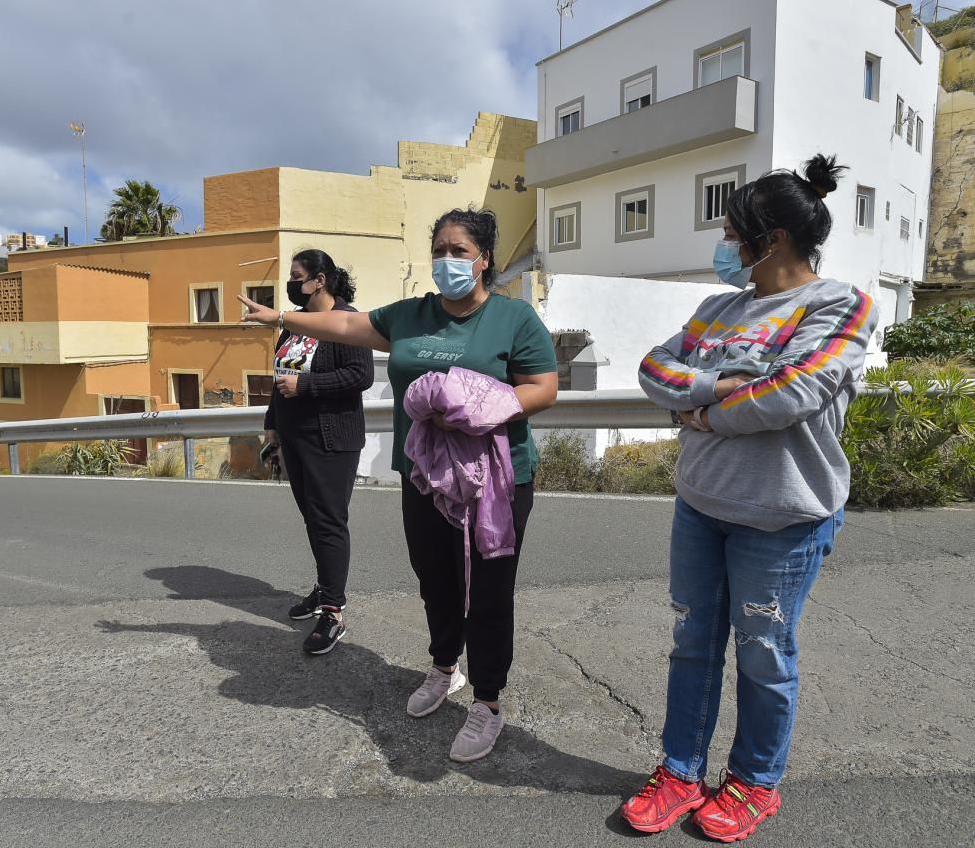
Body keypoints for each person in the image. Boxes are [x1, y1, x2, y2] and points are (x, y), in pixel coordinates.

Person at [240, 209, 558, 762]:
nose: (446, 261)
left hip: (494, 480)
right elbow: (344, 324)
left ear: (484, 259)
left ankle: (487, 701)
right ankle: (443, 668)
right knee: (434, 578)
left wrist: (481, 410)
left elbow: (543, 387)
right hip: (426, 472)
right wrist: (282, 319)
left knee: (486, 589)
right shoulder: (410, 315)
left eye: (459, 251)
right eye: (439, 250)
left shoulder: (515, 319)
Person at [624, 155, 879, 843]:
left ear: (770, 240)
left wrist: (701, 410)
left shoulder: (841, 303)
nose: (725, 247)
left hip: (784, 517)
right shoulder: (717, 308)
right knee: (691, 643)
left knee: (764, 651)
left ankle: (754, 782)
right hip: (700, 506)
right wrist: (713, 390)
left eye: (732, 233)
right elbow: (653, 368)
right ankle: (681, 771)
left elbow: (797, 392)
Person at [264, 249, 374, 656]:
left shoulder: (348, 320)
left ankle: (333, 612)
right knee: (313, 519)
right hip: (295, 438)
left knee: (329, 522)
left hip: (332, 438)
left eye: (296, 276)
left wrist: (306, 387)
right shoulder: (295, 325)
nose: (291, 284)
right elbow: (281, 376)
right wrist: (272, 426)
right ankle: (326, 587)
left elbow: (360, 375)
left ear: (319, 280)